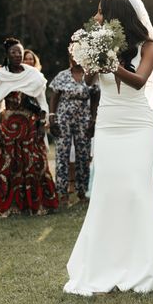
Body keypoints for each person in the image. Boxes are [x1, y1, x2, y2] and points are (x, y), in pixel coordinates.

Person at [64, 0, 153, 295]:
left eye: (102, 12)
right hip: (108, 123)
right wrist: (87, 61)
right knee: (106, 190)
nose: (97, 16)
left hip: (137, 123)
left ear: (117, 15)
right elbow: (88, 82)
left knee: (135, 189)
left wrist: (108, 61)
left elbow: (140, 80)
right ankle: (103, 264)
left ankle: (146, 264)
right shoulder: (99, 43)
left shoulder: (149, 46)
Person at [0, 38, 58, 216]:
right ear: (7, 54)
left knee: (33, 164)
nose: (17, 55)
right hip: (9, 127)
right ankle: (9, 206)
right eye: (13, 52)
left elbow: (42, 103)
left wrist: (40, 126)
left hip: (30, 126)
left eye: (20, 52)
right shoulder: (2, 75)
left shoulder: (33, 75)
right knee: (8, 165)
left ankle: (35, 206)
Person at [49, 52, 99, 205]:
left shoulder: (89, 75)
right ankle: (62, 192)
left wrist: (93, 118)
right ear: (70, 58)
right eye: (73, 56)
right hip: (63, 116)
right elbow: (54, 97)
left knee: (83, 154)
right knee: (62, 154)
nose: (76, 59)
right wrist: (52, 118)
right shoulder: (63, 75)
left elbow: (96, 96)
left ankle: (82, 191)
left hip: (84, 117)